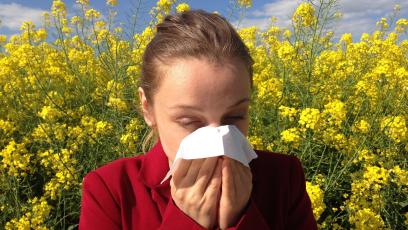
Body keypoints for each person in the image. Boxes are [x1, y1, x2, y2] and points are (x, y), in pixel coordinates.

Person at [79, 9, 317, 230]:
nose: (218, 142)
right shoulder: (111, 191)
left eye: (234, 117)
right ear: (147, 108)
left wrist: (241, 217)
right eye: (189, 121)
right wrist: (186, 221)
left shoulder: (283, 177)